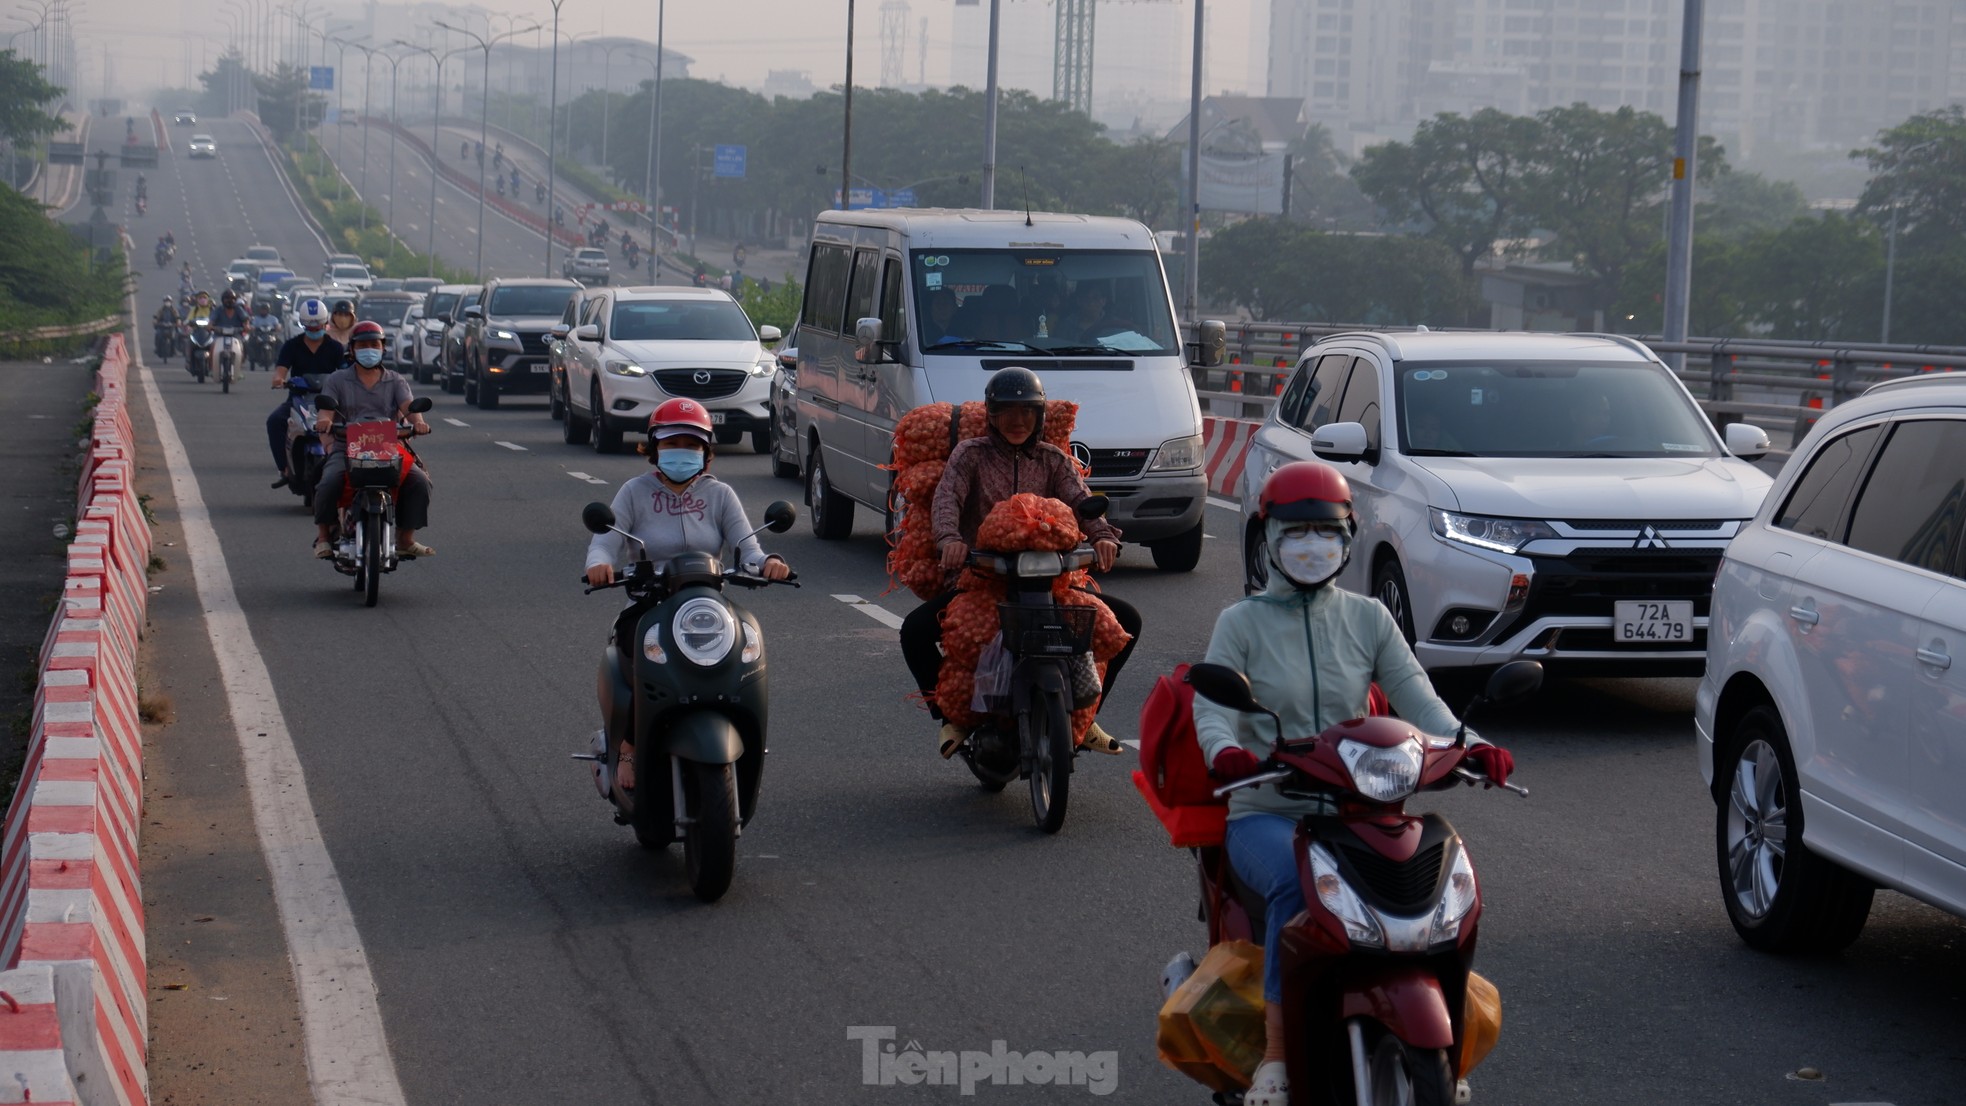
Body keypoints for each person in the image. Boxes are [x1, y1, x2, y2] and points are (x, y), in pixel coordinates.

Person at [1193, 460, 1515, 1106]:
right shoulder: (1241, 623)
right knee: (1293, 882)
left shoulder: (1368, 619)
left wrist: (1474, 746)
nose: (1311, 545)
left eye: (1326, 531)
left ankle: (1447, 1042)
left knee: (1443, 882)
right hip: (1267, 808)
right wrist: (1225, 751)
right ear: (1269, 538)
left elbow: (1420, 702)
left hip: (1359, 811)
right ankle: (1279, 1061)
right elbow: (1213, 707)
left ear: (1348, 535)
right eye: (1294, 531)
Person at [900, 367, 1139, 758]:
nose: (1017, 421)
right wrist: (949, 539)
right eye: (1008, 412)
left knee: (1127, 622)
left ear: (1040, 416)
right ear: (992, 415)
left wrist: (1102, 536)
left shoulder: (1052, 460)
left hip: (1050, 580)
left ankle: (1087, 714)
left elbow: (1080, 500)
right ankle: (950, 717)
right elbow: (947, 498)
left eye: (1027, 412)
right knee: (915, 630)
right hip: (984, 578)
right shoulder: (970, 454)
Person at [583, 398, 793, 790]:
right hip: (649, 605)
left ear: (707, 451)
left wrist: (769, 563)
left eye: (693, 444)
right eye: (672, 442)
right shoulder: (633, 493)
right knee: (634, 653)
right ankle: (628, 744)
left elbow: (749, 549)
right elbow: (604, 543)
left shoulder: (720, 495)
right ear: (654, 447)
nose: (683, 450)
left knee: (744, 650)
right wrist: (597, 566)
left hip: (706, 604)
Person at [312, 320, 434, 559]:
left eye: (374, 344)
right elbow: (325, 412)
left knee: (420, 482)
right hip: (346, 446)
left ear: (383, 348)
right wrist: (324, 421)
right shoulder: (337, 380)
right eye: (363, 345)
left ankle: (405, 538)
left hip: (388, 446)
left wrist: (417, 422)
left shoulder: (395, 380)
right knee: (327, 483)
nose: (369, 349)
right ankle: (324, 537)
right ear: (352, 349)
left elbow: (408, 407)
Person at [269, 298, 347, 482]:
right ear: (302, 325)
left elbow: (346, 372)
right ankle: (285, 468)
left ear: (326, 324)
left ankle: (348, 466)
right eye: (310, 327)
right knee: (274, 421)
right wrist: (279, 379)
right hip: (299, 398)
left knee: (349, 425)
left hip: (329, 400)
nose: (315, 330)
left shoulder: (336, 347)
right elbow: (280, 370)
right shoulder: (291, 345)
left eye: (318, 326)